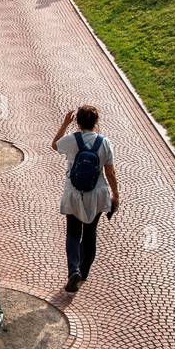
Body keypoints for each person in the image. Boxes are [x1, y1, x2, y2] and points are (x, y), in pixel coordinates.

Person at [51, 105, 119, 292]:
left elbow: (55, 145)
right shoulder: (104, 143)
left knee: (73, 233)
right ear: (96, 122)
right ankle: (83, 272)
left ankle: (73, 270)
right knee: (90, 233)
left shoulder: (72, 140)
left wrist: (65, 124)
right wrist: (116, 195)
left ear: (78, 122)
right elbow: (110, 173)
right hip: (96, 195)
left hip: (73, 193)